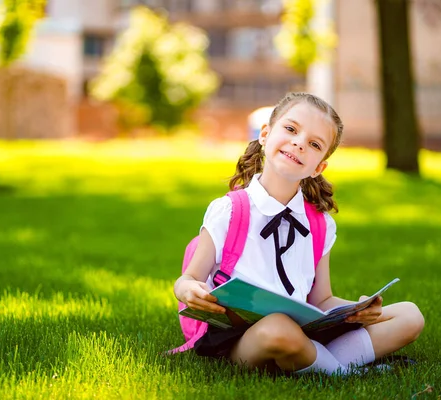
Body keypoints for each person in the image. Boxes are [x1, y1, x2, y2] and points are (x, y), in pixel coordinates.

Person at [173, 92, 425, 375]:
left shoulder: (319, 224)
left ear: (319, 167)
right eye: (291, 129)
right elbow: (189, 279)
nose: (299, 143)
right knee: (278, 328)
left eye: (314, 144)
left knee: (409, 315)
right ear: (265, 135)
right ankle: (343, 372)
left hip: (302, 330)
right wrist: (189, 290)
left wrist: (358, 309)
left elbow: (322, 301)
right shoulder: (229, 211)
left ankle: (313, 360)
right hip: (244, 339)